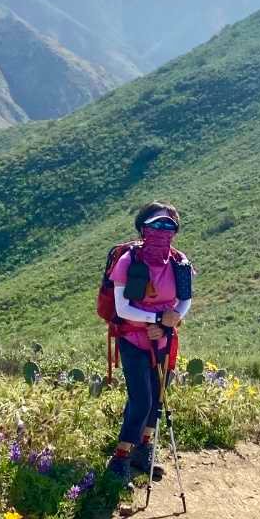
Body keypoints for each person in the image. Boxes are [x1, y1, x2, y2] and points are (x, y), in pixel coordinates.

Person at [105, 202, 192, 480]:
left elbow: (185, 300)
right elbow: (122, 308)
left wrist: (168, 324)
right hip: (132, 338)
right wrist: (156, 320)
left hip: (164, 339)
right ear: (143, 228)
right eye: (157, 224)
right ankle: (120, 458)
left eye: (169, 225)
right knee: (142, 400)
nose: (163, 230)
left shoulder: (179, 262)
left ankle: (143, 451)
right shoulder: (128, 262)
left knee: (157, 397)